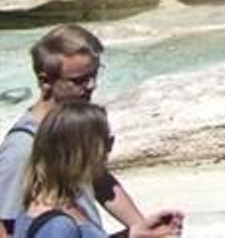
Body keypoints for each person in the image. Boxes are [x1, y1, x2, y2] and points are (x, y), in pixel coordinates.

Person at [0, 27, 163, 238]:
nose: (92, 86)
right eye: (79, 80)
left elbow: (100, 181)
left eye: (94, 74)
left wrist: (142, 228)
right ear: (45, 81)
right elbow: (5, 225)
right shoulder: (23, 146)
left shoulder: (75, 127)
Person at [10, 103, 181, 238]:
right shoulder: (58, 226)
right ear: (81, 152)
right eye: (106, 142)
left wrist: (134, 233)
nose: (110, 149)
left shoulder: (60, 206)